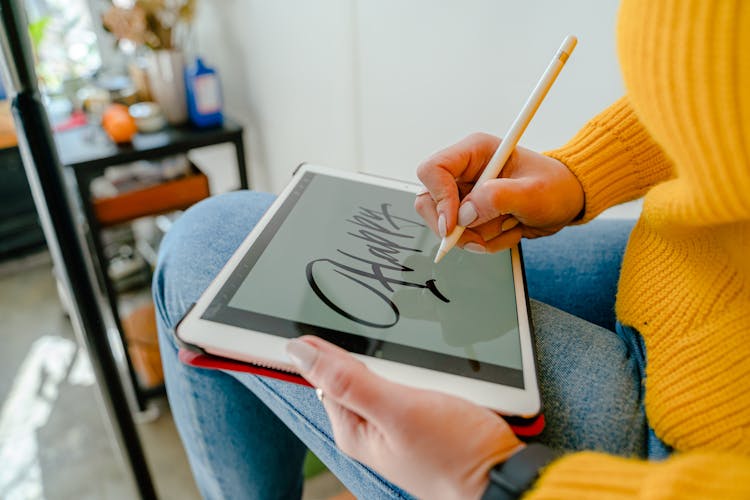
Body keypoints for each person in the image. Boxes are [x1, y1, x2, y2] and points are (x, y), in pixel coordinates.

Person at [153, 0, 750, 498]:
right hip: (690, 258)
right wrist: (578, 175)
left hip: (690, 448)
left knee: (206, 245)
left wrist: (499, 481)